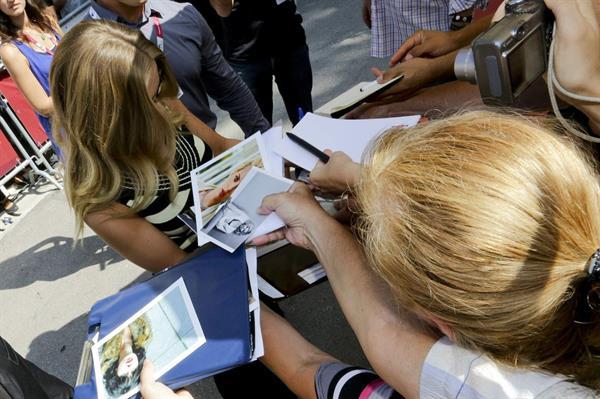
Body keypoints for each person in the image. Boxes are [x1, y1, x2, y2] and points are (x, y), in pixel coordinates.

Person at [50, 19, 295, 399]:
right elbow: (179, 265)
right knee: (259, 373)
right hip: (211, 288)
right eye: (144, 101)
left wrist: (275, 155)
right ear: (104, 113)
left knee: (285, 347)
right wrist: (242, 236)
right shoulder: (100, 196)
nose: (159, 105)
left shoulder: (162, 101)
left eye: (155, 92)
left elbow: (219, 145)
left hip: (244, 241)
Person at [87, 0, 270, 138]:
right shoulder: (81, 56)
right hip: (146, 184)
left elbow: (230, 90)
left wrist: (267, 140)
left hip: (211, 166)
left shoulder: (181, 14)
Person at [210, 0, 313, 125]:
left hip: (290, 39)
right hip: (245, 54)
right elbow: (223, 10)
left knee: (305, 122)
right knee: (260, 132)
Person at [0, 0, 61, 152]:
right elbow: (43, 106)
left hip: (95, 112)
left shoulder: (48, 21)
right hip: (69, 131)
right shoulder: (10, 50)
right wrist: (83, 87)